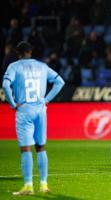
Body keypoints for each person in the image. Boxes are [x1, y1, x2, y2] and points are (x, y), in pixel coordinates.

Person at [2, 41, 65, 195]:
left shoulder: (14, 66)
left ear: (18, 53)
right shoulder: (42, 66)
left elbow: (5, 85)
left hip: (24, 109)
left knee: (25, 148)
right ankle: (44, 185)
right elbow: (60, 82)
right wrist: (47, 99)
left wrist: (12, 104)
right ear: (30, 52)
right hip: (40, 109)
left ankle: (28, 186)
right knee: (40, 146)